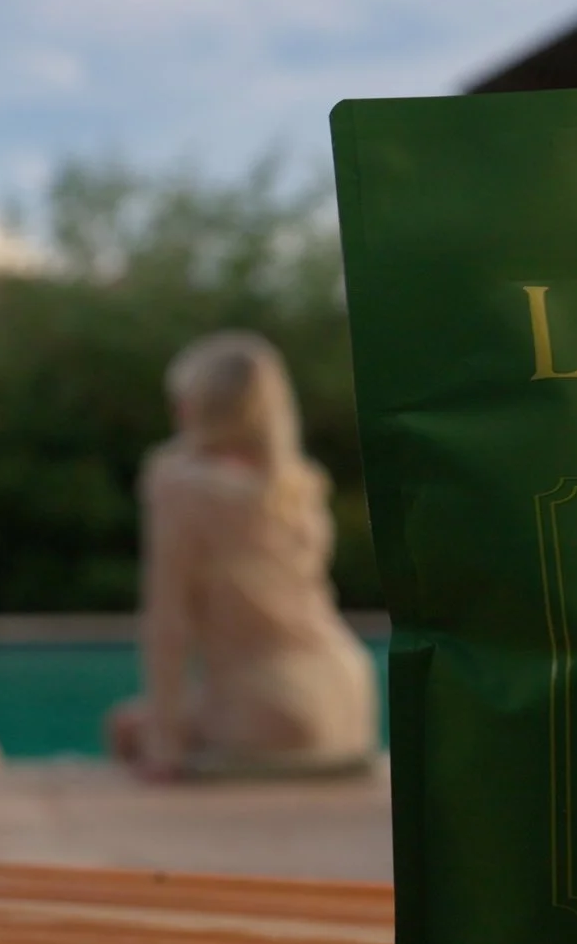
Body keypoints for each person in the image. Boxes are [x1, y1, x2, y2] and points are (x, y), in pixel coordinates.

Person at [105, 331, 378, 780]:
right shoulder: (300, 486)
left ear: (194, 406)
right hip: (347, 692)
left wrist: (165, 746)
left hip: (268, 704)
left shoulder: (180, 485)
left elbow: (168, 622)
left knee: (127, 728)